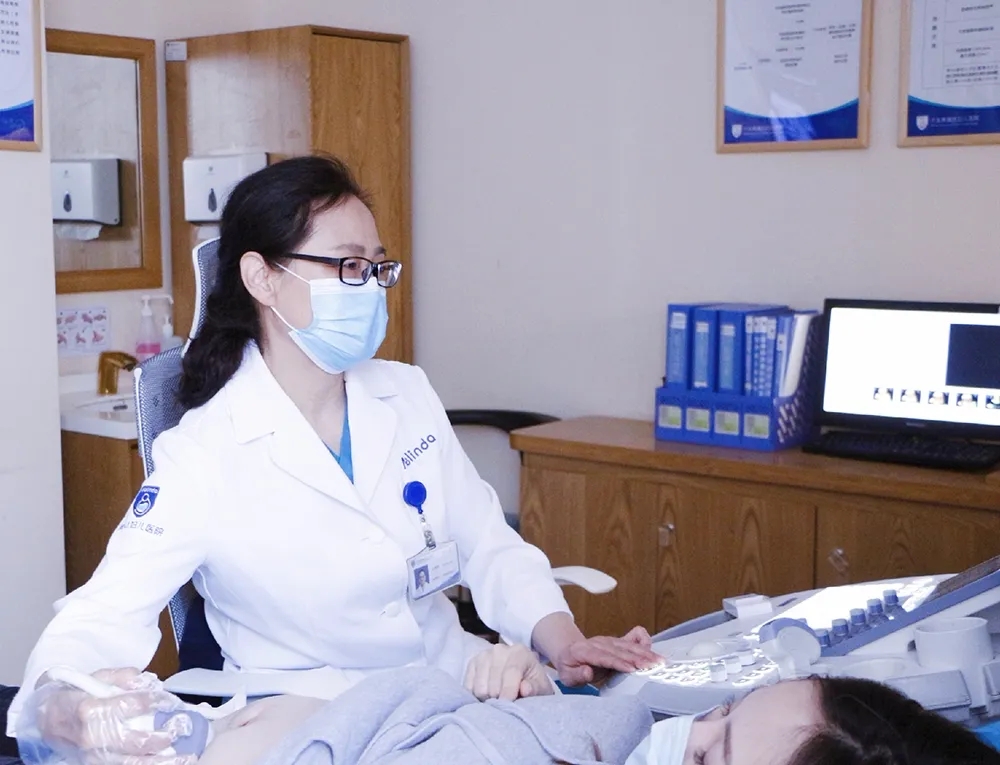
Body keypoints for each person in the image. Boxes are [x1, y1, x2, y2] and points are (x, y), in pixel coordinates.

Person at [6, 155, 659, 743]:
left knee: (641, 731)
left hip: (455, 688)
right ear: (262, 278)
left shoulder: (404, 392)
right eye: (347, 266)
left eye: (376, 267)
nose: (370, 286)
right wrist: (63, 704)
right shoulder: (206, 452)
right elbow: (104, 609)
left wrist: (562, 642)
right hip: (320, 723)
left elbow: (489, 544)